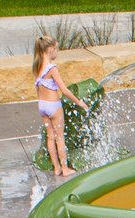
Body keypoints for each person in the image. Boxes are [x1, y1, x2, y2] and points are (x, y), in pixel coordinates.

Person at [32, 35, 92, 177]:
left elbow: (37, 88)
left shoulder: (36, 66)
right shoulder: (52, 68)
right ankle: (65, 169)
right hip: (53, 106)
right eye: (57, 49)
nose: (57, 52)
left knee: (50, 137)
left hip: (42, 105)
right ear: (50, 49)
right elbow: (64, 90)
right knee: (60, 137)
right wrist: (79, 102)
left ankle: (56, 168)